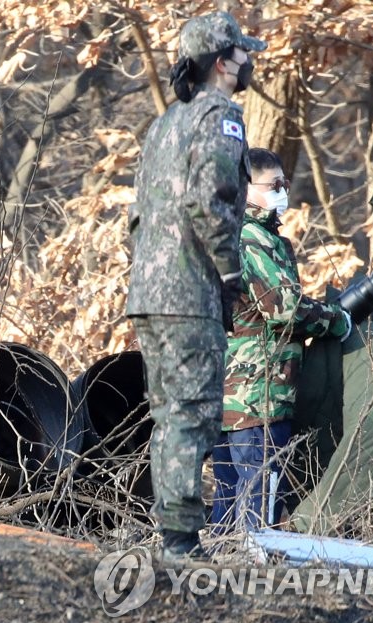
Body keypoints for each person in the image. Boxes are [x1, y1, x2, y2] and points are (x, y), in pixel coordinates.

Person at [126, 11, 265, 563]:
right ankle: (181, 545)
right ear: (224, 61)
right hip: (190, 294)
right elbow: (212, 201)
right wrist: (232, 273)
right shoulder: (221, 118)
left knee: (169, 415)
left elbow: (137, 216)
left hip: (147, 294)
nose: (250, 61)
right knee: (193, 413)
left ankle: (174, 536)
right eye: (244, 53)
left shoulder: (164, 124)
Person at [211, 148, 351, 537]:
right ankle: (252, 589)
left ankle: (218, 584)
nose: (282, 192)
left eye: (284, 184)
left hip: (234, 399)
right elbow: (284, 309)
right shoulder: (252, 240)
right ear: (245, 189)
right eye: (273, 185)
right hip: (260, 397)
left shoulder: (234, 235)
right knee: (259, 513)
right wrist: (336, 320)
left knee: (229, 508)